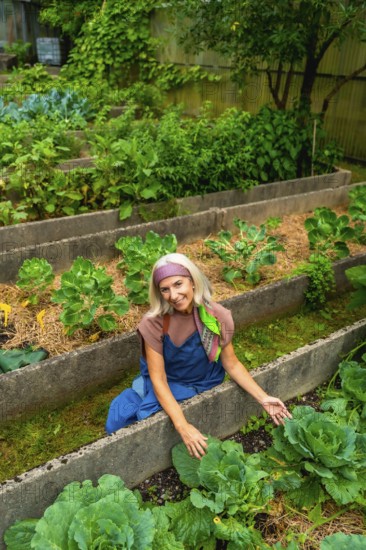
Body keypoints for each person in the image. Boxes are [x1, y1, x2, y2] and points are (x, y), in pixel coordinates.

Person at [105, 253, 291, 458]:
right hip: (170, 381)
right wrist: (183, 427)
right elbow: (159, 379)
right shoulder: (154, 323)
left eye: (178, 284)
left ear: (192, 281)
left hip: (204, 380)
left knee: (150, 418)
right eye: (165, 289)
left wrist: (263, 398)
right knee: (118, 420)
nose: (173, 295)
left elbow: (232, 364)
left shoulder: (218, 316)